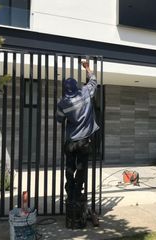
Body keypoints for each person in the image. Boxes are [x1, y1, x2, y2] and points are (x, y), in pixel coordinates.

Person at [56, 61, 99, 227]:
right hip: (84, 141)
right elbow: (93, 80)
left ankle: (70, 191)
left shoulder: (62, 103)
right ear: (76, 86)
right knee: (81, 169)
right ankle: (77, 191)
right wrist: (87, 67)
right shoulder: (86, 93)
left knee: (69, 168)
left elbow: (60, 120)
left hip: (70, 141)